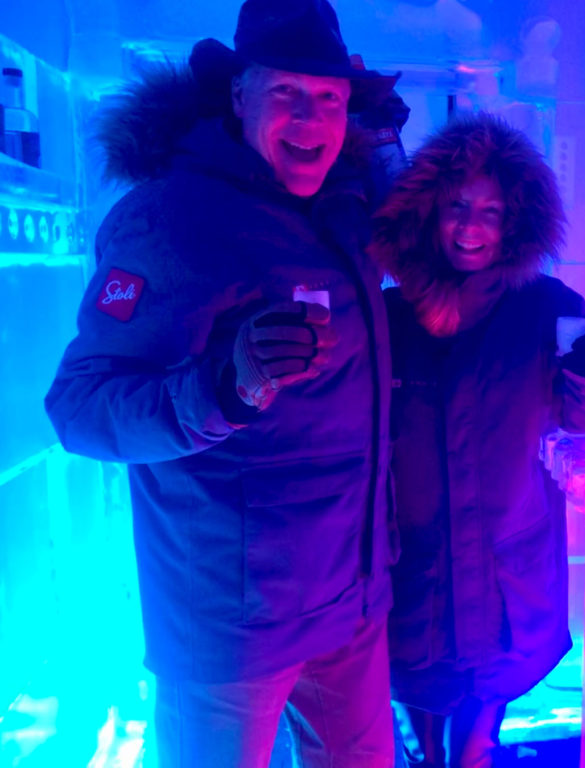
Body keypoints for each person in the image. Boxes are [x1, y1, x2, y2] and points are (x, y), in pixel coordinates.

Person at [44, 1, 405, 765]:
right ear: (239, 94)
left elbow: (438, 247)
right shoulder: (171, 218)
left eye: (329, 97)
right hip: (229, 629)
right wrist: (227, 388)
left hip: (350, 604)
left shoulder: (342, 206)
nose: (310, 117)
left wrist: (386, 146)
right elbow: (80, 408)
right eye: (286, 92)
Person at [368, 112, 585, 768]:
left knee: (479, 733)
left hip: (507, 562)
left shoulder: (544, 306)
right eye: (457, 207)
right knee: (421, 725)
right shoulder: (390, 315)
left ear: (514, 221)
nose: (471, 227)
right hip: (413, 564)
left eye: (490, 211)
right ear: (431, 213)